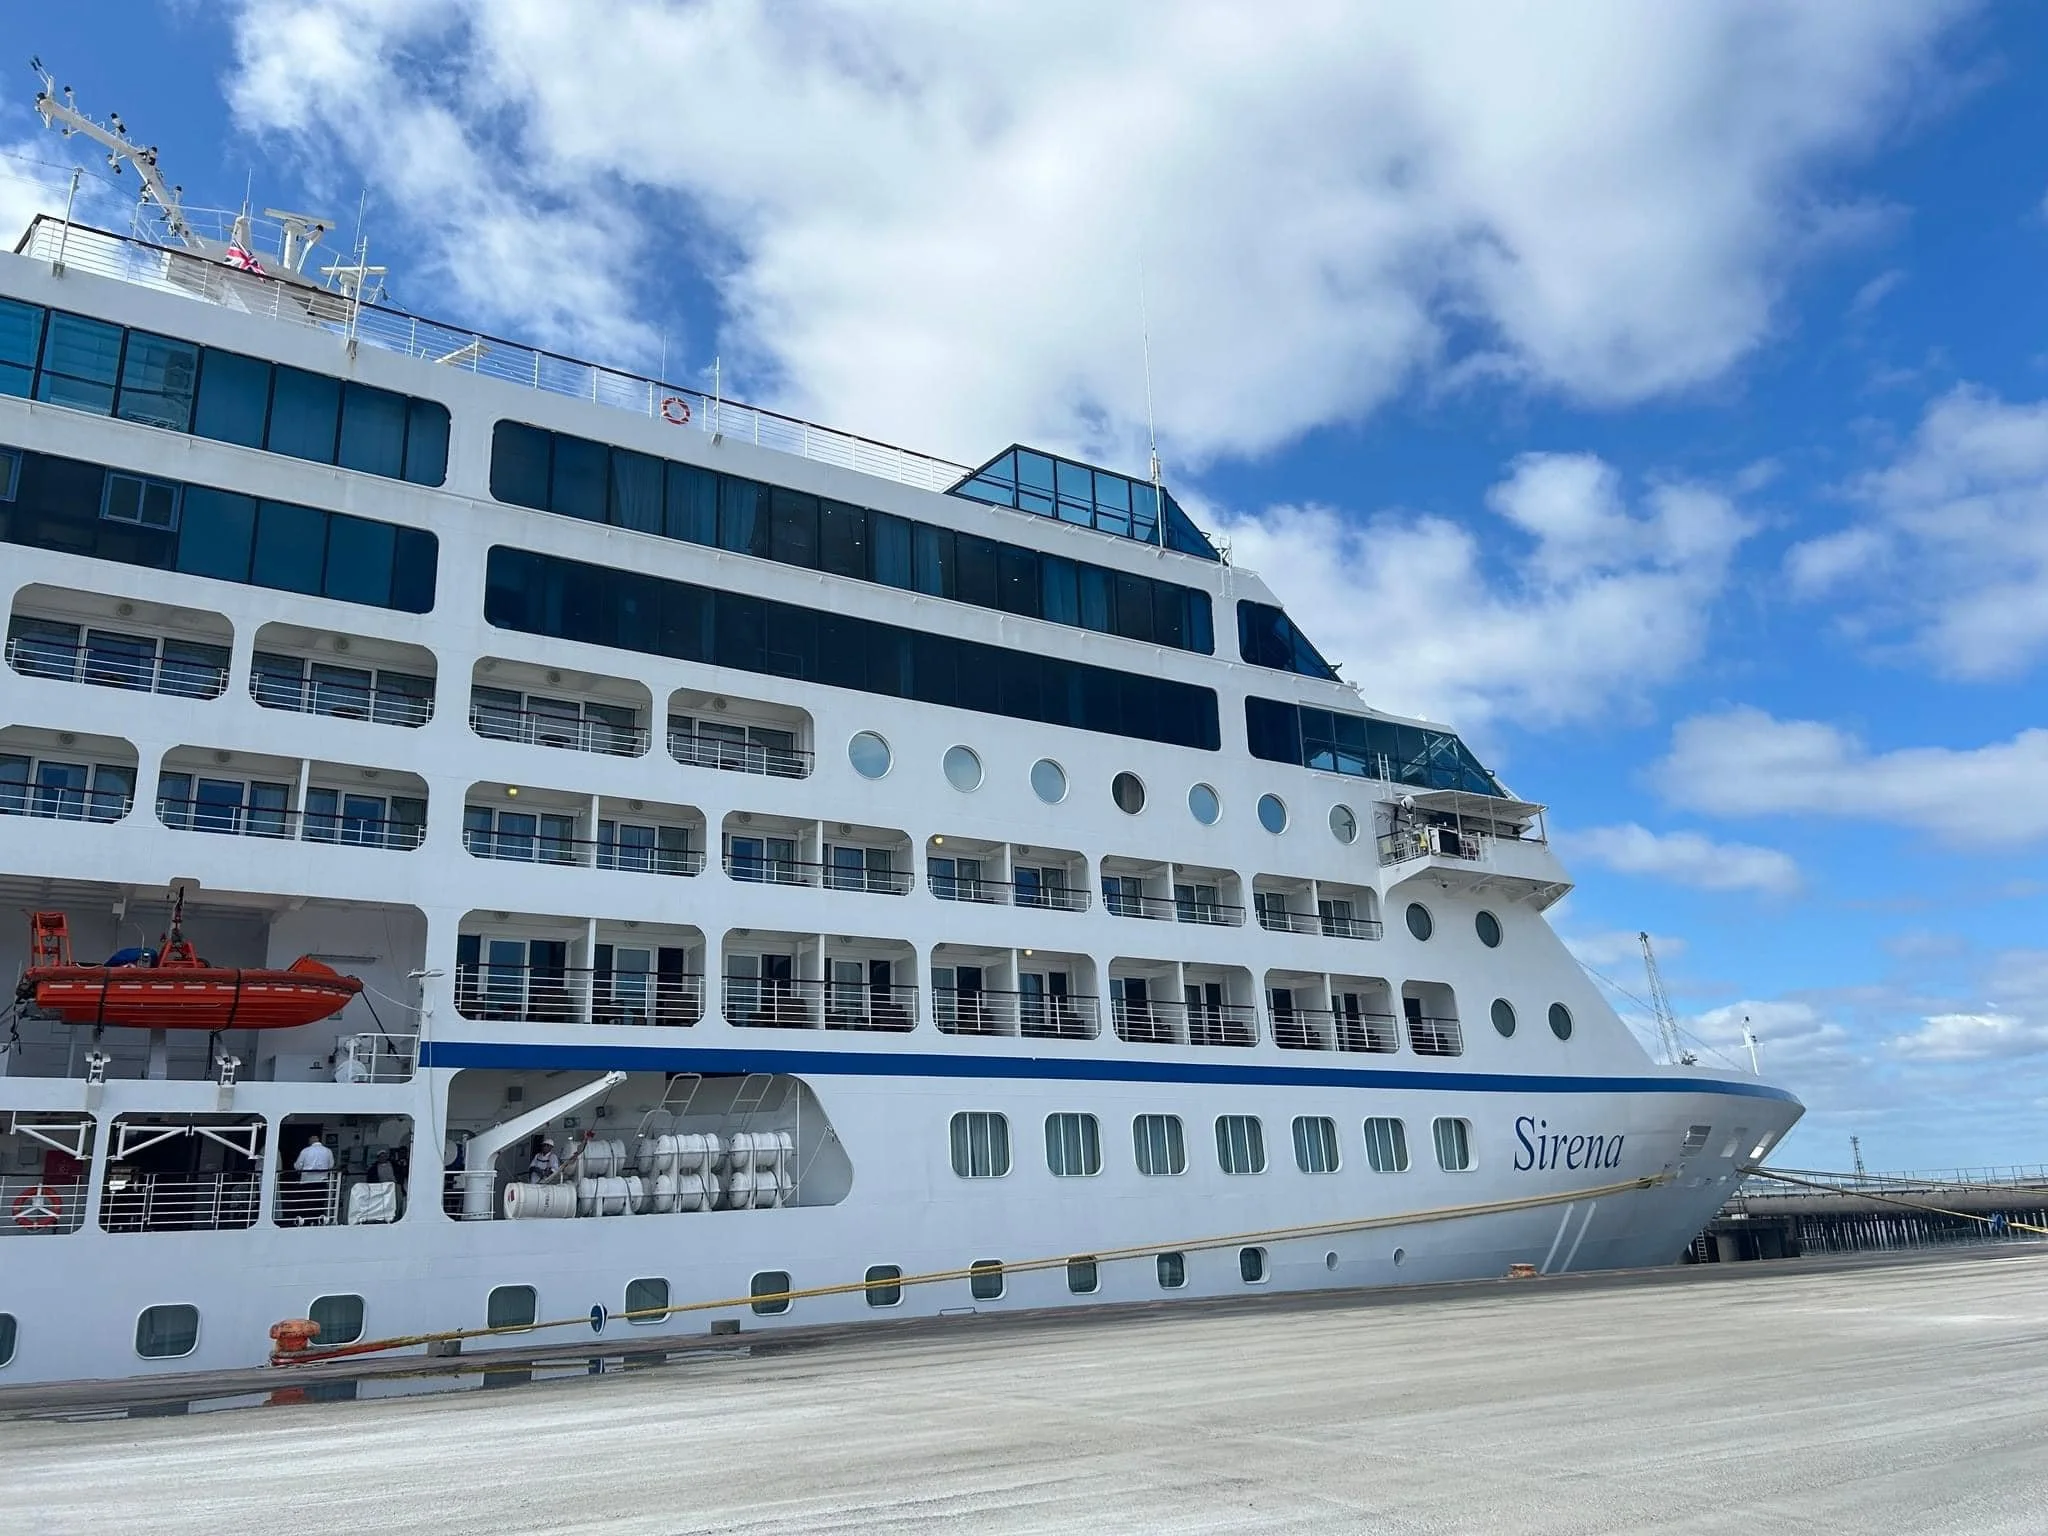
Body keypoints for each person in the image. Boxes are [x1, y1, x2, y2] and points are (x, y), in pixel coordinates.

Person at [293, 1132, 336, 1226]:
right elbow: (331, 1165)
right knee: (319, 1202)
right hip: (321, 1181)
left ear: (311, 1141)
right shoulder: (328, 1151)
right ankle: (318, 1220)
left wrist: (297, 1168)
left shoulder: (306, 1151)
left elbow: (298, 1166)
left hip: (306, 1181)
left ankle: (306, 1221)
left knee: (306, 1202)